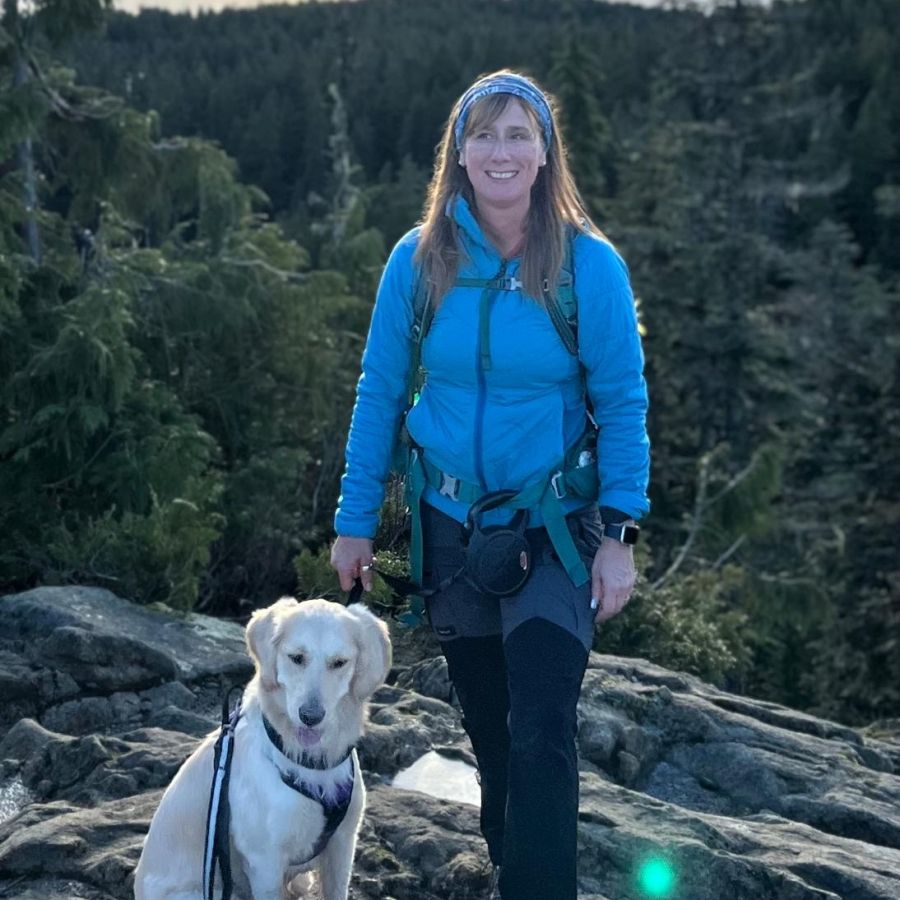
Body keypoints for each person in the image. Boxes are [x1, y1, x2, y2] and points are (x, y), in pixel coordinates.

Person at [331, 69, 650, 900]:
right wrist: (354, 520)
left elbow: (622, 401)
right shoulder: (418, 259)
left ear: (544, 154)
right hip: (448, 525)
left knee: (543, 726)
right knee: (491, 729)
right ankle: (517, 867)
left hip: (556, 529)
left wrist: (618, 537)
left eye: (519, 135)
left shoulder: (588, 266)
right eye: (484, 135)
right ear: (459, 154)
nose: (500, 151)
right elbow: (379, 390)